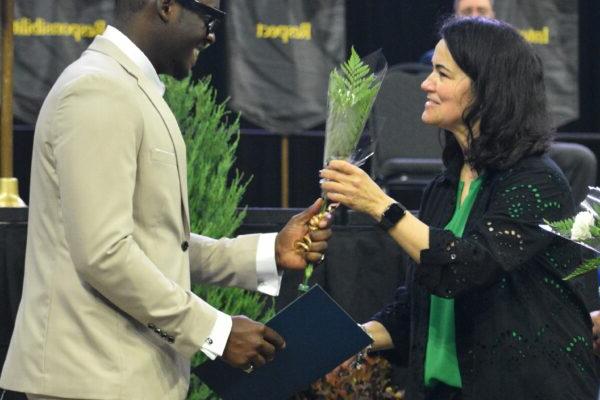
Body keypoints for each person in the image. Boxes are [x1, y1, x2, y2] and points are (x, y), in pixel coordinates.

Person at [0, 1, 332, 399]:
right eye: (209, 19)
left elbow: (154, 245)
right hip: (90, 382)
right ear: (167, 7)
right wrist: (216, 331)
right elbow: (105, 253)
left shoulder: (125, 87)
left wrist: (268, 252)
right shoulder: (97, 89)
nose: (211, 36)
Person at [322, 16, 599, 399]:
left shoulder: (537, 181)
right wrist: (347, 341)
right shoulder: (444, 186)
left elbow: (466, 267)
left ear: (487, 88)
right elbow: (417, 307)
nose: (425, 83)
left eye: (442, 73)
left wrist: (380, 205)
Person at [419, 0, 494, 65]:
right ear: (455, 17)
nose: (474, 17)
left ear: (493, 16)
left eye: (482, 11)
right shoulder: (434, 59)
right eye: (467, 12)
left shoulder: (504, 57)